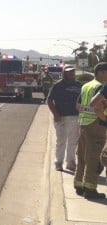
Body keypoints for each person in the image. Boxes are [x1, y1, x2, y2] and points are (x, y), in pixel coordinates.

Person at [74, 62, 107, 199]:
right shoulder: (100, 87)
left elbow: (78, 106)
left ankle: (79, 184)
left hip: (83, 124)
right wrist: (104, 119)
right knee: (94, 157)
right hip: (96, 125)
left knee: (82, 156)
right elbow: (97, 107)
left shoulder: (86, 85)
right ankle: (90, 189)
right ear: (101, 72)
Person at [46, 66, 81, 172]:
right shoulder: (57, 86)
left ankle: (71, 163)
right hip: (60, 117)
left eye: (73, 72)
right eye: (69, 72)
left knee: (73, 141)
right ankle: (58, 162)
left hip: (75, 117)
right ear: (64, 73)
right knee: (61, 141)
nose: (72, 74)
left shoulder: (79, 85)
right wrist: (55, 114)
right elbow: (49, 100)